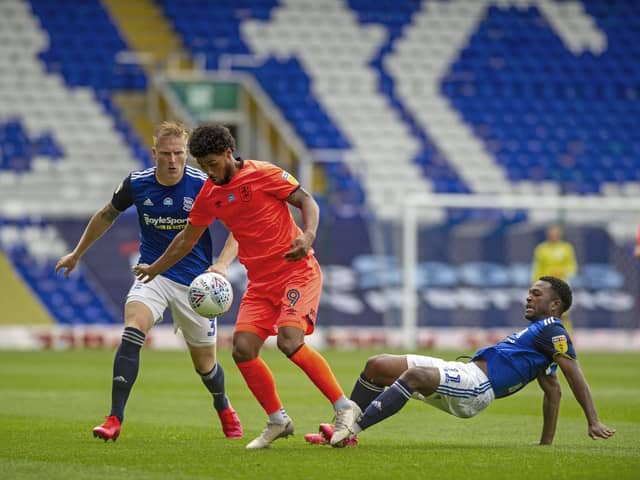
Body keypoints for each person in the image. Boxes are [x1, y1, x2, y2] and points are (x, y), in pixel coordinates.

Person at [131, 123, 358, 449]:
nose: (209, 171)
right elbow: (186, 239)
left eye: (213, 163)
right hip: (261, 283)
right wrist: (154, 268)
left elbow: (308, 201)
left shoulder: (263, 173)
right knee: (242, 349)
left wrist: (306, 237)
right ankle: (278, 420)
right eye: (202, 165)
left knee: (289, 340)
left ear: (228, 153)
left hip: (297, 272)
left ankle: (343, 407)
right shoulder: (209, 193)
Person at [55, 121, 242, 442]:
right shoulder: (137, 183)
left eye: (179, 154)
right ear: (154, 153)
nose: (173, 160)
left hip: (196, 286)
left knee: (205, 366)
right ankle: (114, 418)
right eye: (166, 153)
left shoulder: (203, 185)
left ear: (187, 154)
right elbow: (105, 215)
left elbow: (239, 226)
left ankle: (223, 406)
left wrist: (222, 265)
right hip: (152, 273)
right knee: (133, 329)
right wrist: (76, 253)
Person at [308, 277, 615, 447]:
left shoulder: (554, 331)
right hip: (465, 371)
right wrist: (546, 444)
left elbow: (570, 375)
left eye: (536, 294)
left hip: (478, 388)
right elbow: (552, 389)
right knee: (378, 364)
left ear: (555, 304)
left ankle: (350, 432)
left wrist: (593, 420)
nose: (528, 298)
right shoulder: (538, 336)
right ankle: (343, 424)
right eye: (529, 293)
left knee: (414, 375)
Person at [531, 224, 577, 331]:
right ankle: (546, 338)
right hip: (546, 286)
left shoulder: (566, 248)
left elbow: (572, 267)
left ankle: (567, 336)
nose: (553, 236)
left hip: (561, 285)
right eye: (551, 233)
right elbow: (537, 268)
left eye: (556, 233)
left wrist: (562, 271)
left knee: (563, 313)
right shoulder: (541, 249)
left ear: (560, 234)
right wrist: (535, 284)